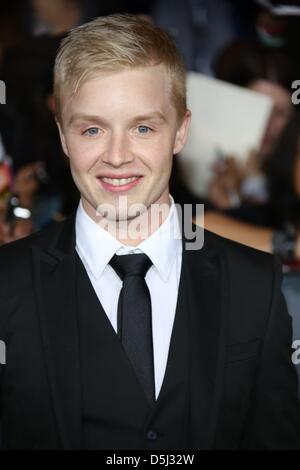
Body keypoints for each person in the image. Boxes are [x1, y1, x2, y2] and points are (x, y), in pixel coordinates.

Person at [0, 14, 299, 450]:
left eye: (143, 127)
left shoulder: (254, 285)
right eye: (93, 129)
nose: (118, 156)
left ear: (180, 131)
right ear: (63, 135)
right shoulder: (6, 284)